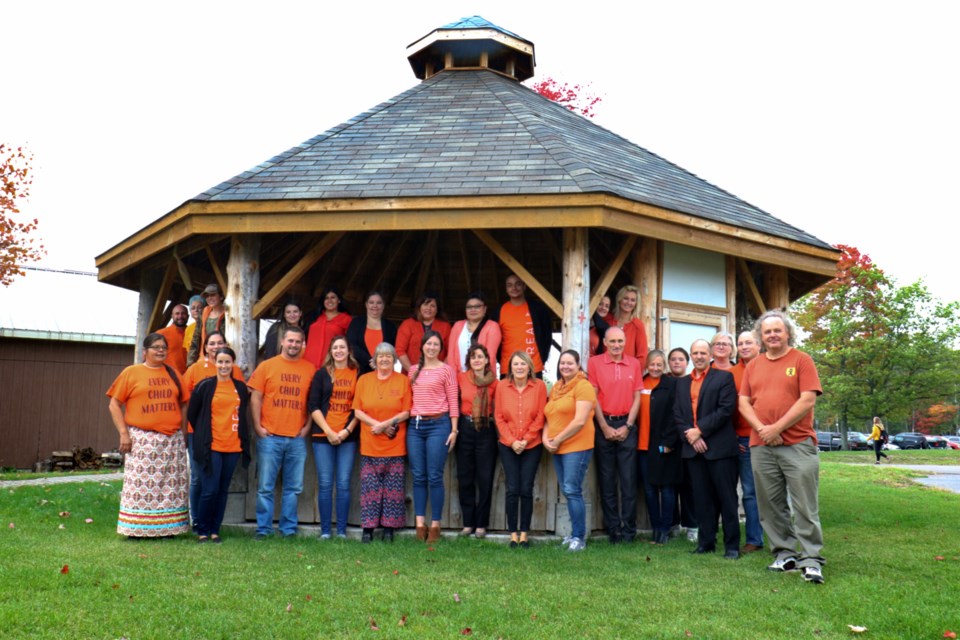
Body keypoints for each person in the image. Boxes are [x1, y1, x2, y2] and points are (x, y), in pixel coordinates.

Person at [739, 310, 825, 584]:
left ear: (787, 332)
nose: (773, 335)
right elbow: (743, 402)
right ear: (761, 337)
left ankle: (811, 559)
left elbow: (807, 400)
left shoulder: (802, 360)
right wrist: (764, 430)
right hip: (761, 446)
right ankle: (784, 554)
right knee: (770, 505)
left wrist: (777, 428)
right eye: (767, 332)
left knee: (804, 506)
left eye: (778, 330)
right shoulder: (753, 365)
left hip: (798, 444)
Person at [106, 333, 190, 538]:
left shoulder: (173, 373)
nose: (161, 351)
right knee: (140, 485)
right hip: (143, 439)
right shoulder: (132, 372)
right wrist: (124, 434)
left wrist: (183, 430)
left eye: (164, 347)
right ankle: (136, 529)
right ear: (145, 351)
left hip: (171, 440)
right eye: (156, 347)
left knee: (171, 487)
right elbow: (114, 404)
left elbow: (185, 401)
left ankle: (169, 529)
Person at [247, 326, 316, 538]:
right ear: (282, 342)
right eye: (290, 341)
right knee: (266, 487)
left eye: (298, 341)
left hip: (296, 437)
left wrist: (308, 426)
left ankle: (288, 530)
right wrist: (258, 426)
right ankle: (264, 529)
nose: (294, 345)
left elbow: (314, 401)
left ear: (302, 344)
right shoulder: (267, 366)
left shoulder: (310, 369)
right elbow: (255, 397)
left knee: (293, 488)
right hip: (270, 436)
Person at [675, 339, 740, 559]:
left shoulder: (724, 377)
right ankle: (706, 542)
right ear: (691, 356)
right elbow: (678, 415)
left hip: (720, 449)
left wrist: (700, 430)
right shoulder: (682, 383)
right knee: (701, 499)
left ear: (710, 354)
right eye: (695, 353)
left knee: (727, 498)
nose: (699, 356)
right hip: (694, 450)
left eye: (703, 352)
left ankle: (731, 546)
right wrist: (692, 437)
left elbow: (726, 410)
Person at [186, 347, 251, 543]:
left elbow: (242, 414)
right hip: (211, 446)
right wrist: (204, 434)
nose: (224, 366)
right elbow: (192, 414)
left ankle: (215, 530)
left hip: (233, 446)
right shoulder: (204, 386)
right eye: (220, 362)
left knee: (223, 491)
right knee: (209, 489)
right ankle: (202, 530)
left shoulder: (240, 387)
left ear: (233, 364)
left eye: (227, 362)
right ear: (215, 362)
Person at [353, 343, 412, 543]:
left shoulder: (403, 381)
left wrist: (387, 424)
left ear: (394, 359)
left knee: (393, 490)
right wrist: (377, 425)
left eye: (388, 356)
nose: (384, 359)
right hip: (370, 445)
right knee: (370, 488)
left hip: (394, 445)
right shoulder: (364, 380)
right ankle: (368, 529)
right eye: (381, 356)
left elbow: (406, 411)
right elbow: (358, 411)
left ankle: (389, 529)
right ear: (375, 360)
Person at [588, 327, 642, 543]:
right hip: (604, 425)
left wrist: (628, 426)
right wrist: (604, 427)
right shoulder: (595, 363)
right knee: (607, 480)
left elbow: (637, 397)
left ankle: (629, 530)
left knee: (628, 481)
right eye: (613, 341)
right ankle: (613, 530)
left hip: (627, 424)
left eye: (620, 341)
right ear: (605, 342)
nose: (617, 345)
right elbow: (593, 398)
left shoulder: (634, 363)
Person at [407, 331, 459, 543]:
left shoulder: (447, 371)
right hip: (415, 426)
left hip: (439, 425)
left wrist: (454, 430)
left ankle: (435, 525)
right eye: (428, 343)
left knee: (435, 476)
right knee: (418, 475)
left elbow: (453, 400)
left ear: (440, 348)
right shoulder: (412, 371)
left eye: (436, 344)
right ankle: (420, 525)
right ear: (422, 346)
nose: (432, 347)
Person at [308, 335, 360, 539]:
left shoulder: (358, 373)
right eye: (335, 347)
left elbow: (359, 407)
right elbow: (313, 405)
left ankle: (341, 531)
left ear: (349, 351)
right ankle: (325, 531)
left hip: (348, 436)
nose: (339, 351)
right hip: (323, 436)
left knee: (344, 484)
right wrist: (329, 431)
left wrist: (345, 431)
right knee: (326, 483)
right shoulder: (322, 374)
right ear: (331, 351)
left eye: (342, 347)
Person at [543, 350, 596, 552]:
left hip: (577, 445)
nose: (565, 367)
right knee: (568, 490)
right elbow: (549, 415)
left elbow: (580, 421)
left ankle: (579, 537)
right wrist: (546, 438)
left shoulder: (584, 386)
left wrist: (557, 439)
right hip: (558, 446)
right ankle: (574, 533)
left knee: (572, 489)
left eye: (570, 363)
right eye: (562, 363)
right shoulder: (557, 387)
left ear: (578, 365)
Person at [494, 351, 546, 548]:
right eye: (516, 364)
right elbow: (498, 416)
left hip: (531, 445)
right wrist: (512, 440)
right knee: (512, 488)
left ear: (529, 367)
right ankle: (512, 533)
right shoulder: (502, 386)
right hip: (508, 445)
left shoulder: (539, 386)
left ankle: (524, 533)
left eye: (523, 364)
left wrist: (525, 439)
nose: (519, 367)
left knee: (526, 488)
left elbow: (541, 415)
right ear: (510, 368)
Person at [724, 330, 763, 553]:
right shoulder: (731, 373)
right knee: (735, 490)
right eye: (740, 343)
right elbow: (728, 410)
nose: (744, 346)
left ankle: (755, 539)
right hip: (738, 439)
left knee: (751, 491)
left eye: (749, 342)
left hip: (763, 437)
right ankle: (736, 537)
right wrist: (732, 439)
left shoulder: (767, 368)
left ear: (758, 345)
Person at [636, 350, 680, 545]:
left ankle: (665, 530)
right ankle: (655, 530)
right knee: (649, 489)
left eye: (659, 365)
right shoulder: (640, 383)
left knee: (667, 488)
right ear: (647, 365)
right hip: (642, 445)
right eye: (652, 364)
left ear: (665, 366)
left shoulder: (672, 385)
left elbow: (675, 416)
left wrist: (668, 442)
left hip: (663, 446)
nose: (655, 368)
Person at [455, 344, 499, 538]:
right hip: (465, 428)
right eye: (473, 357)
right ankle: (468, 522)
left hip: (486, 430)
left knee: (485, 478)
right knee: (465, 477)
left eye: (480, 356)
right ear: (469, 361)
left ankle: (481, 524)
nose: (477, 360)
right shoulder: (461, 378)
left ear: (487, 360)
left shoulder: (495, 383)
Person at [495, 274, 552, 378]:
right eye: (510, 285)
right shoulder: (499, 311)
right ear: (506, 289)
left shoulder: (538, 309)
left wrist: (542, 359)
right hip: (508, 367)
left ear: (524, 286)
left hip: (534, 366)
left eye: (518, 284)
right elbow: (495, 340)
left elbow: (547, 335)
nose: (514, 288)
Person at [667, 346, 696, 540]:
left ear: (687, 362)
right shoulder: (664, 382)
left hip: (688, 438)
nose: (677, 362)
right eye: (673, 359)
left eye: (681, 359)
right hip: (668, 439)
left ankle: (692, 525)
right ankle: (673, 524)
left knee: (689, 484)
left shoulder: (692, 382)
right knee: (670, 484)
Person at [447, 293, 502, 374]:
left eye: (477, 306)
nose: (473, 309)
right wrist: (453, 377)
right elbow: (451, 355)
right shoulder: (457, 326)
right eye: (469, 307)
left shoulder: (492, 326)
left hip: (482, 378)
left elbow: (490, 356)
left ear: (485, 309)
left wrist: (479, 378)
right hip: (458, 377)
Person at [396, 292, 452, 372]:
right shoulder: (407, 324)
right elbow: (399, 350)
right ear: (419, 307)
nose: (428, 308)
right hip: (411, 375)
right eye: (425, 304)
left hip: (437, 376)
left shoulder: (445, 326)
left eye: (432, 306)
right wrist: (412, 372)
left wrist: (441, 372)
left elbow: (450, 352)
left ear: (437, 309)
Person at [347, 290, 398, 375]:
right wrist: (370, 361)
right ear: (366, 305)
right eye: (371, 302)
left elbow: (394, 348)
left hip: (384, 371)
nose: (375, 305)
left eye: (379, 303)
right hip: (359, 370)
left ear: (383, 305)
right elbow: (351, 344)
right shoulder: (356, 323)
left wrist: (380, 362)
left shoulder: (390, 326)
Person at [303, 287, 351, 368]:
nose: (330, 300)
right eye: (326, 298)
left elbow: (350, 344)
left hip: (331, 365)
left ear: (339, 300)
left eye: (333, 297)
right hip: (308, 363)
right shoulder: (314, 316)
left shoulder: (346, 319)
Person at [188, 284, 227, 367]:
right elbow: (196, 339)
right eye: (207, 296)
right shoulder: (203, 313)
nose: (209, 298)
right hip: (204, 358)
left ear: (221, 296)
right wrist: (190, 363)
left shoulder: (229, 315)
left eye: (213, 295)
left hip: (223, 360)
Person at [611, 285, 649, 369]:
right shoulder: (608, 321)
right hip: (607, 370)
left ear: (636, 304)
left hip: (628, 372)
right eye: (626, 298)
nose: (629, 302)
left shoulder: (638, 325)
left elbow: (642, 355)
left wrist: (634, 374)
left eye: (633, 300)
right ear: (619, 299)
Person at [157, 303, 189, 374]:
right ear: (172, 316)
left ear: (188, 316)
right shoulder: (161, 334)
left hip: (189, 376)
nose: (180, 316)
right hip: (168, 376)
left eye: (183, 313)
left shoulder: (193, 332)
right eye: (177, 314)